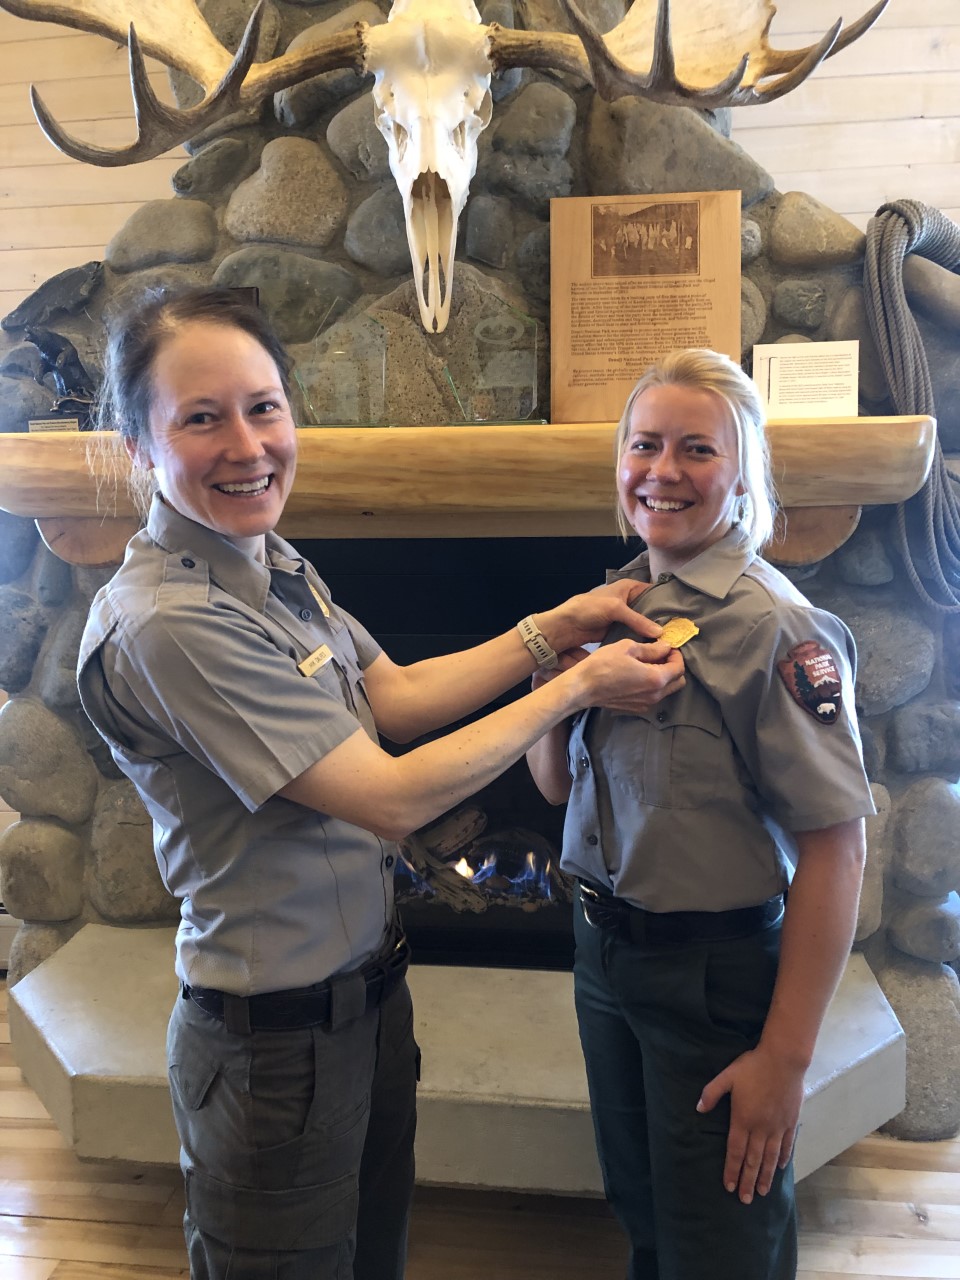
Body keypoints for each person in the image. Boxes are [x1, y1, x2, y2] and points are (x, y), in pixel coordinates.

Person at [76, 285, 686, 1280]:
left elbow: (392, 694)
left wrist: (556, 623)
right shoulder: (166, 622)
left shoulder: (271, 561)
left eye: (264, 405)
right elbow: (392, 793)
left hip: (365, 1008)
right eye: (202, 417)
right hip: (271, 1048)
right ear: (141, 445)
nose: (248, 443)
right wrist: (578, 685)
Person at [527, 348, 875, 1280]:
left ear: (743, 474)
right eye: (644, 445)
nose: (662, 470)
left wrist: (786, 1061)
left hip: (713, 979)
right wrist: (561, 681)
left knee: (723, 1247)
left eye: (697, 449)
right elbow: (556, 791)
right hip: (605, 957)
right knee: (642, 1214)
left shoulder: (775, 629)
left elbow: (839, 849)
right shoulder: (614, 609)